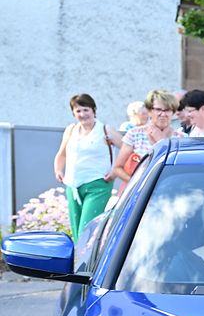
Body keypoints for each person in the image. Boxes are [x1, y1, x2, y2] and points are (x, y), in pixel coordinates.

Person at [53, 93, 125, 240]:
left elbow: (127, 150)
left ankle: (88, 256)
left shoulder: (105, 130)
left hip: (98, 184)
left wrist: (115, 171)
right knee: (76, 232)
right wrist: (58, 169)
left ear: (93, 110)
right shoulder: (71, 130)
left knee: (87, 230)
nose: (82, 114)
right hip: (73, 186)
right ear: (73, 113)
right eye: (78, 111)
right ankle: (78, 256)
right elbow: (62, 153)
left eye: (86, 110)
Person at [111, 89, 184, 189]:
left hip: (169, 191)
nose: (163, 114)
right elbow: (117, 168)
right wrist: (137, 184)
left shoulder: (181, 138)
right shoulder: (134, 134)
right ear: (149, 111)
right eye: (158, 110)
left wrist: (161, 140)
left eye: (167, 110)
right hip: (141, 192)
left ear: (173, 112)